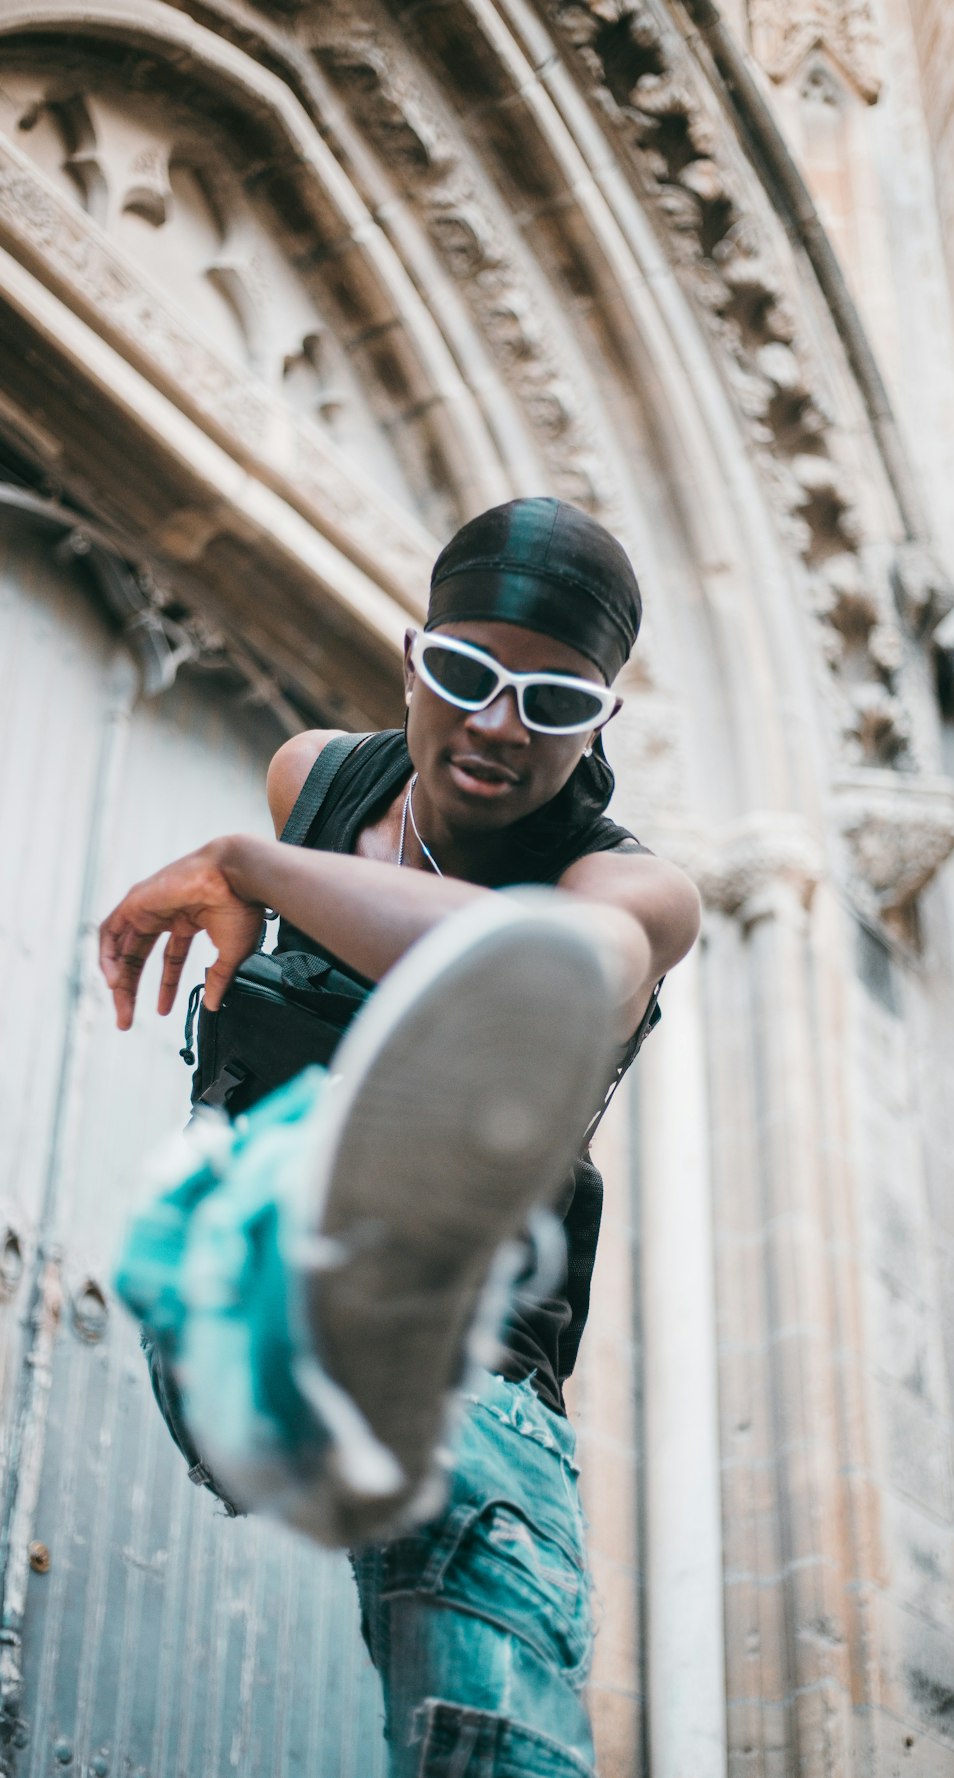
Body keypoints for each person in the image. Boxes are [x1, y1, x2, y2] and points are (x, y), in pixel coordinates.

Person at [98, 497, 700, 1778]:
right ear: (414, 656)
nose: (496, 725)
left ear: (599, 722)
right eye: (468, 674)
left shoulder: (630, 886)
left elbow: (566, 966)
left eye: (553, 701)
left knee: (494, 1730)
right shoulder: (317, 777)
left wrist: (251, 866)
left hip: (467, 1366)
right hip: (241, 1300)